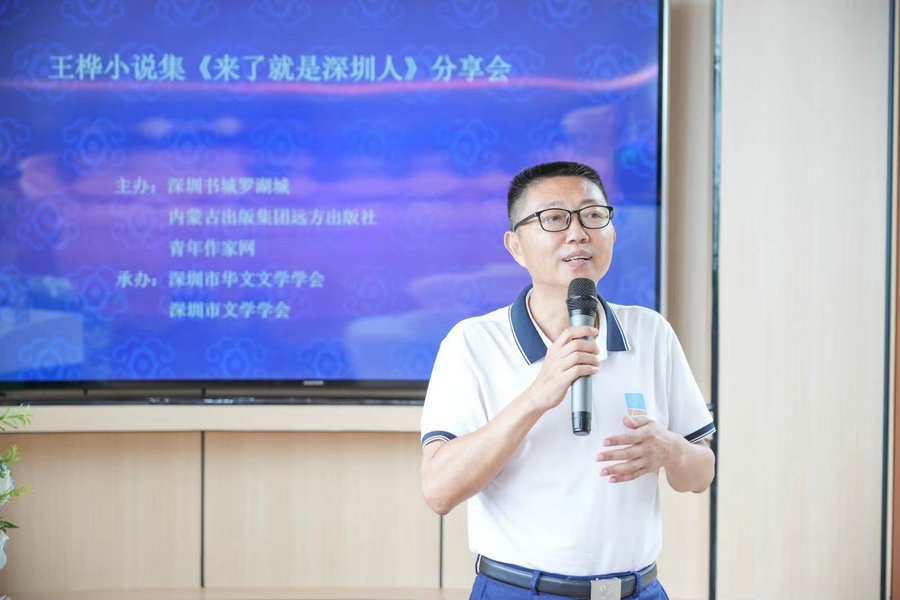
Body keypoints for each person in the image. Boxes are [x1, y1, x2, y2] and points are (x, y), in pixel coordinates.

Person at [419, 161, 716, 600]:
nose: (578, 233)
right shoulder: (473, 343)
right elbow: (439, 492)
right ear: (516, 246)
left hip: (639, 591)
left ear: (612, 233)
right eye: (554, 218)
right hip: (521, 592)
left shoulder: (651, 332)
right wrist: (537, 396)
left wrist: (670, 449)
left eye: (593, 215)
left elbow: (700, 473)